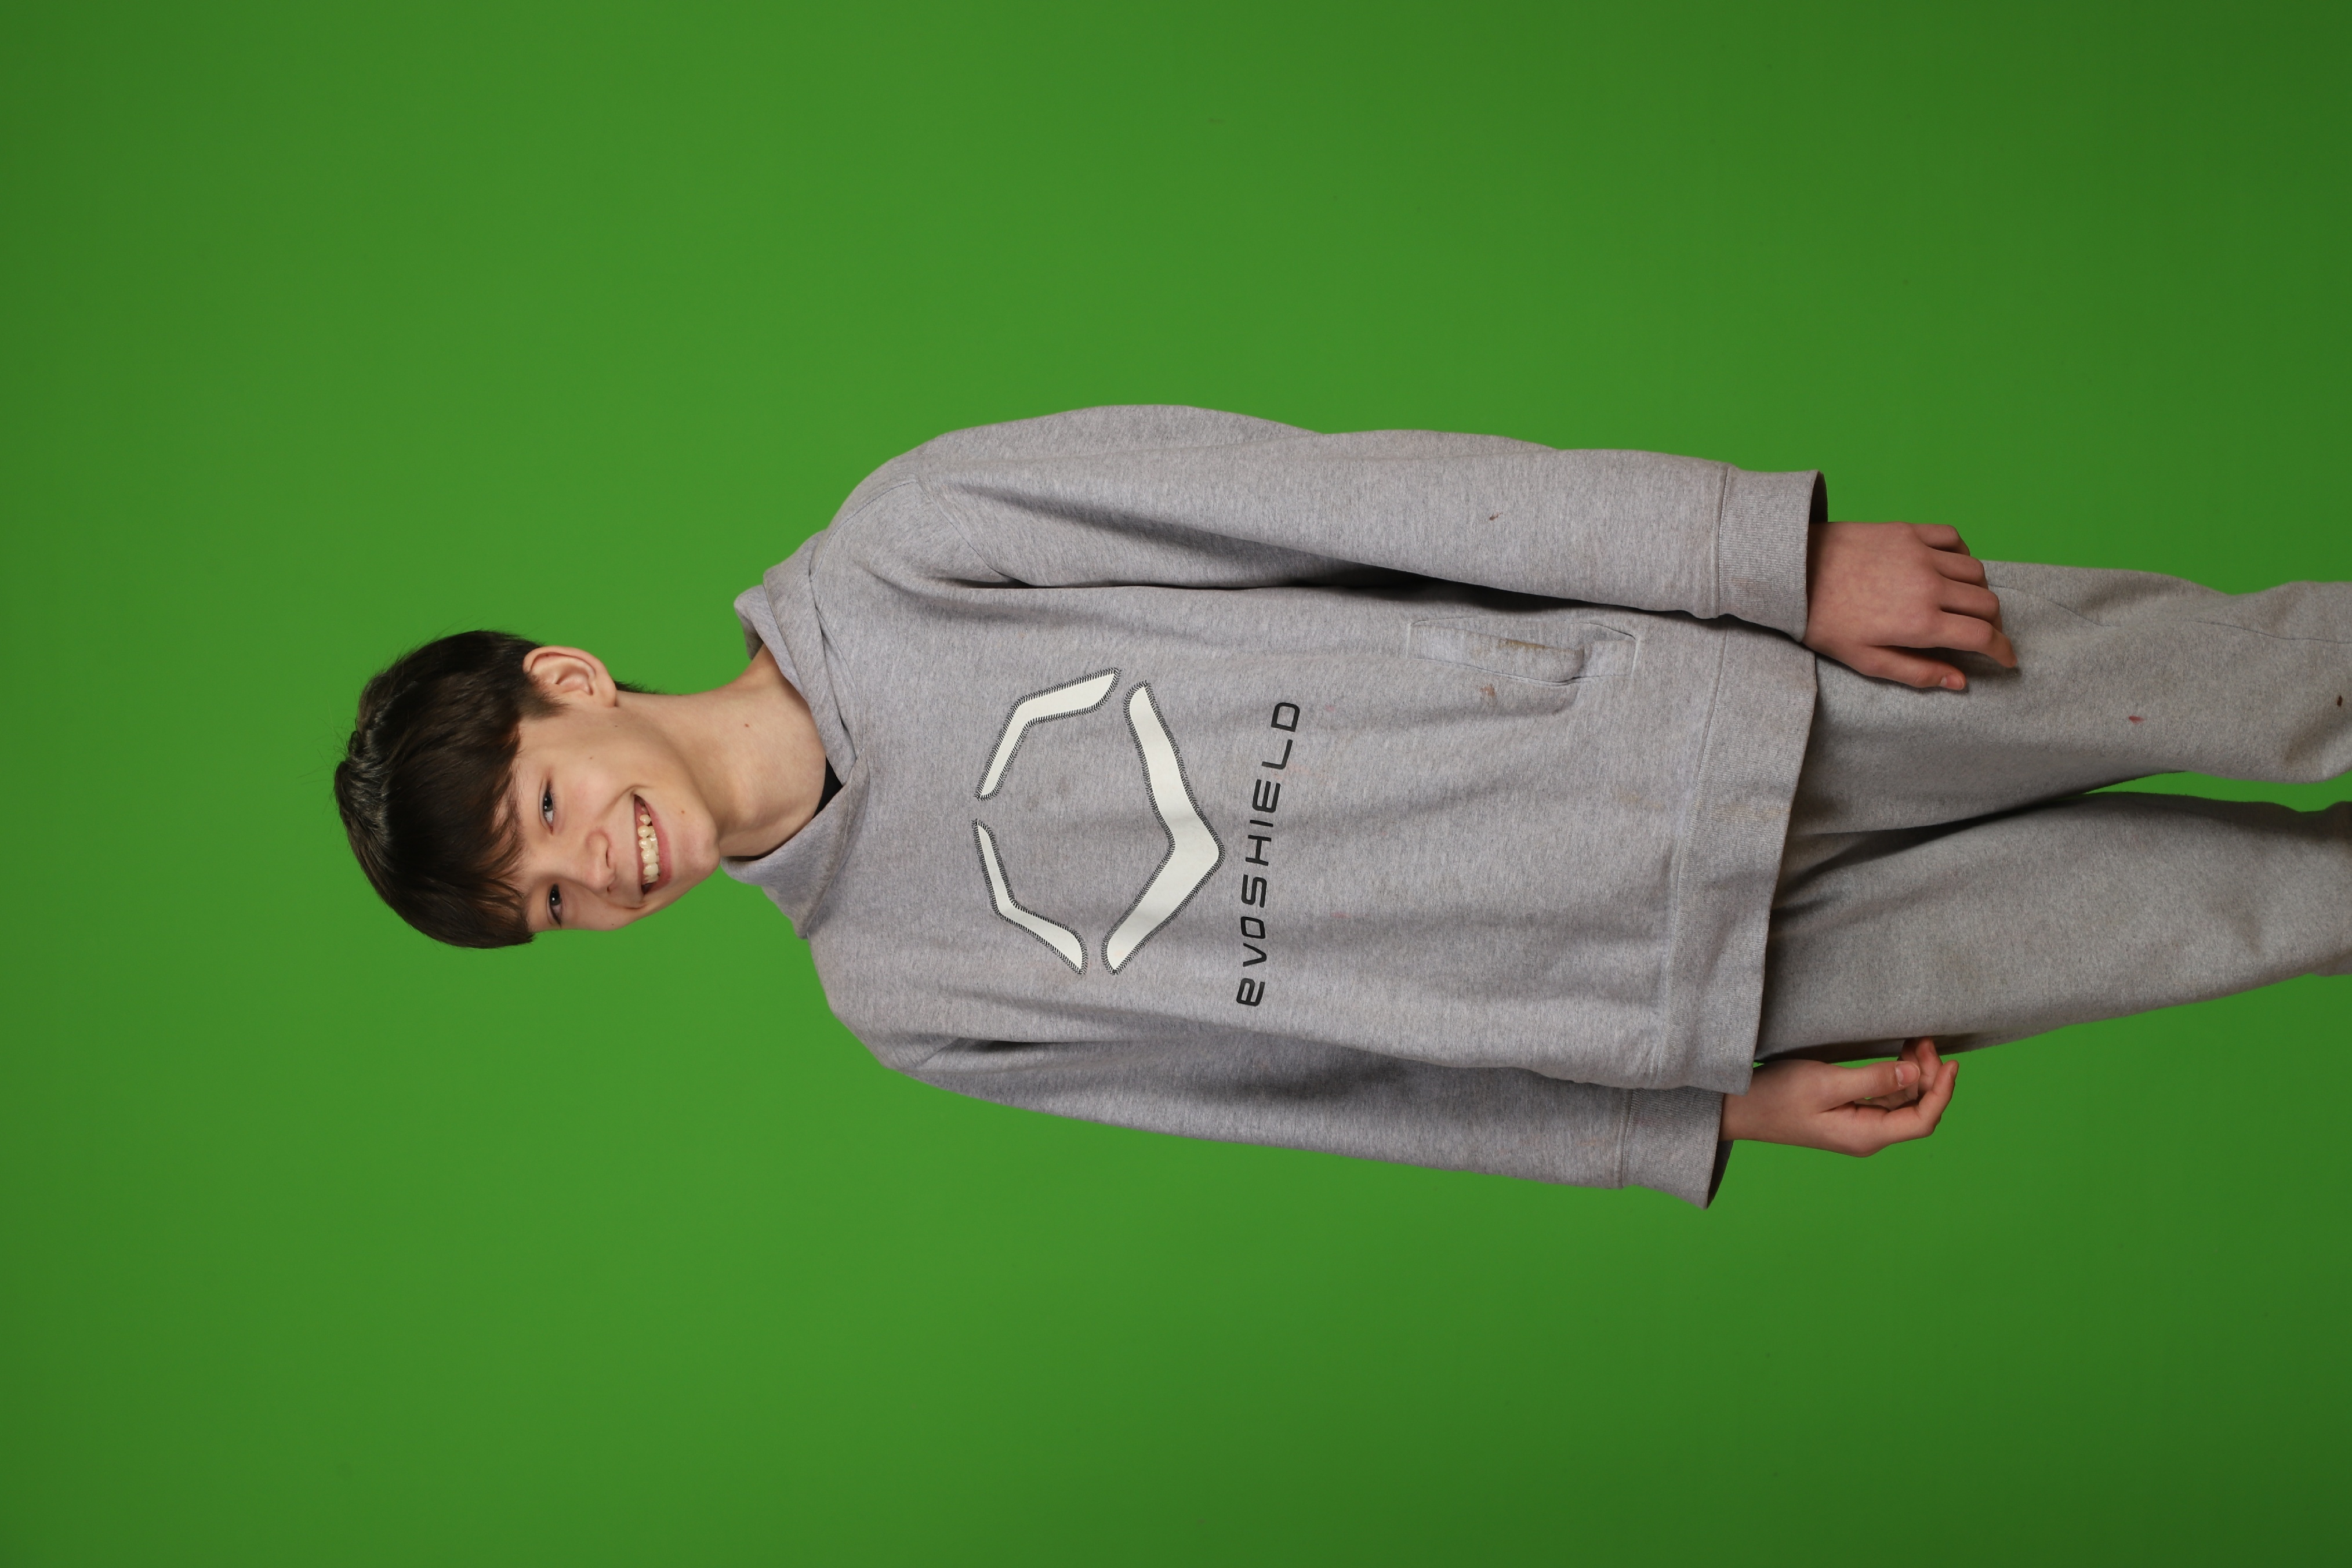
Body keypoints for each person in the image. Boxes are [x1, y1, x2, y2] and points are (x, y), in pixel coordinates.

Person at [334, 406, 2352, 1206]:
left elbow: (1349, 493)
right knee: (2246, 918)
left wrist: (1763, 557)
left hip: (1702, 705)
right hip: (1674, 991)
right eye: (550, 905)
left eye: (548, 810)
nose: (596, 869)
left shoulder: (913, 542)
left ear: (570, 683)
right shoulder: (901, 999)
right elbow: (1314, 1095)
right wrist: (1686, 1120)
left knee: (2271, 681)